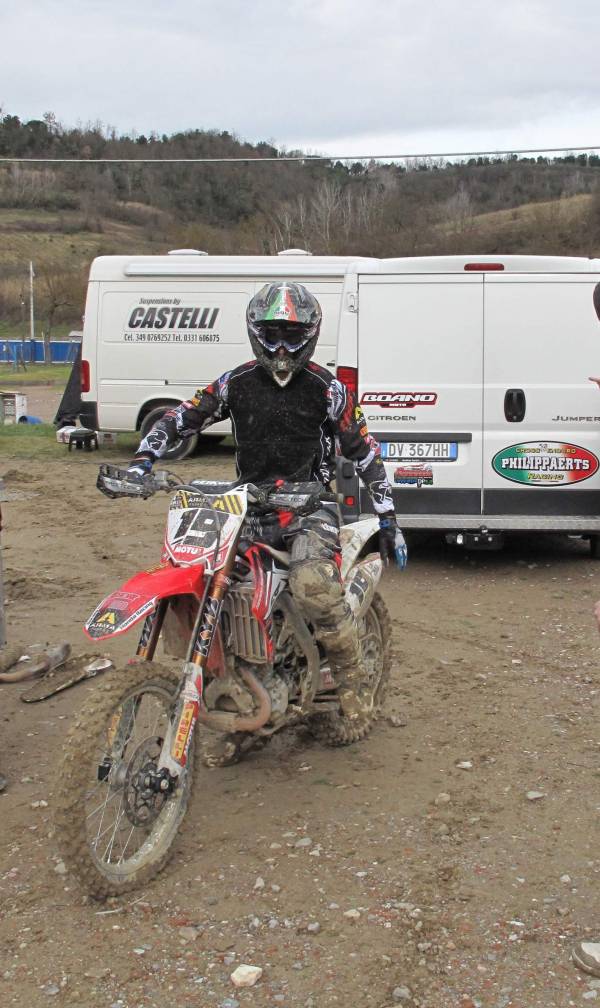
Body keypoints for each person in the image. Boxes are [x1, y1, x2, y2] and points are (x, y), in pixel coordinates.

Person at [125, 281, 406, 721]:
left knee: (313, 588)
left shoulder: (327, 389)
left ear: (310, 335)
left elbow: (365, 452)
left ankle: (351, 678)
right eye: (270, 333)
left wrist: (388, 518)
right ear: (255, 332)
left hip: (311, 509)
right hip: (247, 508)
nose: (280, 347)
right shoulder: (234, 383)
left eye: (292, 336)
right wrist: (143, 459)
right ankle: (235, 676)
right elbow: (180, 419)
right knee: (198, 577)